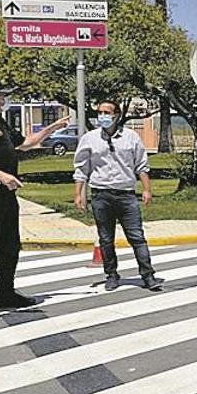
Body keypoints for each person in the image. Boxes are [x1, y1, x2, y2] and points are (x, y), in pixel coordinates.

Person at [0, 80, 70, 319]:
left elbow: (25, 144)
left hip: (6, 195)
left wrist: (53, 127)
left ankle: (6, 294)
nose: (4, 100)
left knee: (10, 245)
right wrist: (1, 175)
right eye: (1, 96)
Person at [73, 100, 160, 292]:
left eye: (107, 112)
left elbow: (141, 165)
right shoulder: (90, 139)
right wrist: (78, 194)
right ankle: (111, 274)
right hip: (101, 195)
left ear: (117, 115)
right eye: (100, 112)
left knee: (137, 236)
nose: (102, 116)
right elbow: (81, 168)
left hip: (126, 196)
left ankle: (148, 274)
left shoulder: (131, 137)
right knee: (105, 238)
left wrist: (146, 189)